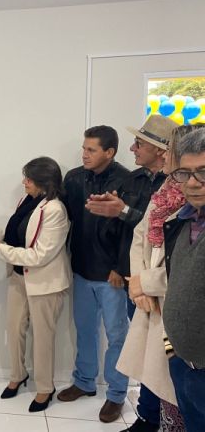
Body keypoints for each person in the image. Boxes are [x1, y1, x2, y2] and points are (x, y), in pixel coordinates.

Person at [85, 115, 177, 432]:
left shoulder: (178, 186)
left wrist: (122, 211)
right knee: (144, 353)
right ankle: (148, 417)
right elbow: (132, 234)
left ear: (161, 151)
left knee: (165, 358)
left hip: (165, 289)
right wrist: (123, 271)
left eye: (139, 143)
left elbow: (164, 233)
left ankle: (163, 418)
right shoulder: (134, 179)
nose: (133, 148)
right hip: (134, 282)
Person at [0, 157, 71, 412]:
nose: (24, 182)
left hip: (45, 284)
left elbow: (40, 255)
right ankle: (18, 375)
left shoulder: (55, 210)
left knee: (43, 337)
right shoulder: (27, 202)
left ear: (44, 182)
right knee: (14, 331)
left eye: (29, 178)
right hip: (18, 277)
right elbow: (15, 235)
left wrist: (0, 249)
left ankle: (45, 387)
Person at [117, 125, 198, 432]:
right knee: (155, 370)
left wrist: (147, 282)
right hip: (148, 296)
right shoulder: (165, 191)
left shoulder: (191, 202)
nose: (165, 157)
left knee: (172, 379)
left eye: (169, 151)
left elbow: (188, 266)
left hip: (173, 304)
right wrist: (139, 284)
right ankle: (148, 418)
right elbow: (140, 236)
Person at [57, 125, 131, 423]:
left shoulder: (127, 181)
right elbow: (64, 220)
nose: (84, 154)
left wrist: (120, 268)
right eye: (83, 148)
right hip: (81, 268)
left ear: (109, 152)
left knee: (117, 336)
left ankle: (117, 394)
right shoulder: (74, 178)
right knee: (85, 329)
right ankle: (85, 382)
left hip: (112, 275)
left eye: (91, 149)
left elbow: (131, 230)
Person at [161, 127, 205, 432]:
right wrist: (171, 348)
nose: (192, 182)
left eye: (203, 171)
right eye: (185, 173)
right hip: (181, 361)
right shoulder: (183, 220)